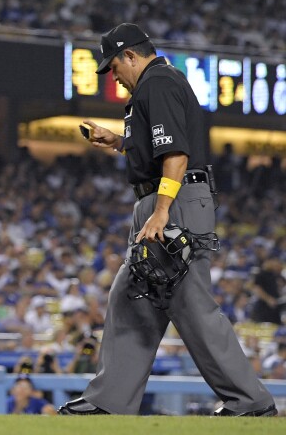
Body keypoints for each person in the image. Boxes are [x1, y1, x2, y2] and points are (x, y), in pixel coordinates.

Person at [61, 23, 276, 417]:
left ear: (130, 55)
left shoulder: (156, 82)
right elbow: (157, 149)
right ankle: (109, 402)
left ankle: (252, 402)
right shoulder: (157, 83)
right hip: (165, 198)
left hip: (173, 200)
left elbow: (176, 154)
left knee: (191, 303)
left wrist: (161, 212)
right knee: (131, 299)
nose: (115, 77)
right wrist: (120, 142)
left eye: (114, 67)